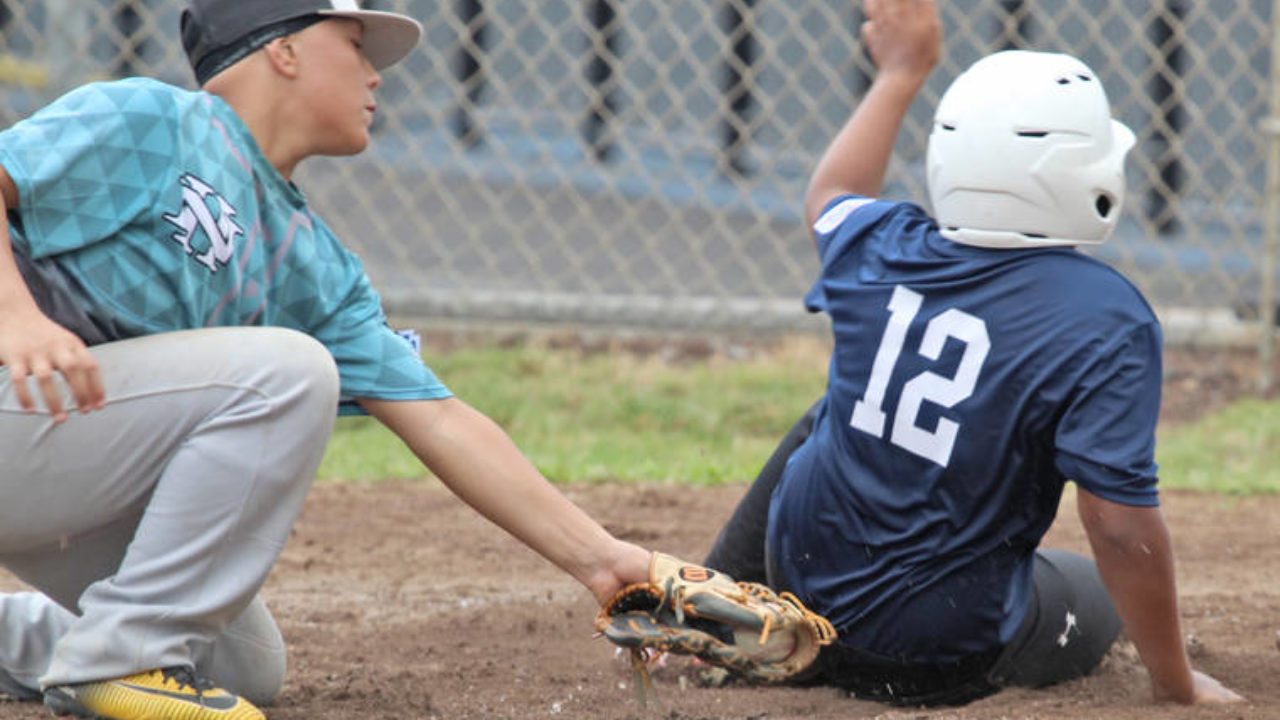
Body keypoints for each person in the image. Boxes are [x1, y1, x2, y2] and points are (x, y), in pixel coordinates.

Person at [0, 2, 652, 719]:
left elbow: (440, 418)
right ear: (283, 51)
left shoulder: (313, 262)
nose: (376, 75)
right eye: (355, 45)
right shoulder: (153, 120)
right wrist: (17, 316)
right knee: (288, 370)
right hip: (18, 416)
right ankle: (116, 662)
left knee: (240, 660)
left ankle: (69, 645)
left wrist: (610, 564)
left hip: (52, 458)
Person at [704, 0, 1244, 708]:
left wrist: (901, 73)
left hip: (801, 589)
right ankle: (745, 615)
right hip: (931, 653)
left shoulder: (882, 243)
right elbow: (1116, 525)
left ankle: (712, 603)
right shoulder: (1106, 316)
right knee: (1091, 592)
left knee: (833, 413)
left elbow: (831, 192)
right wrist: (1177, 686)